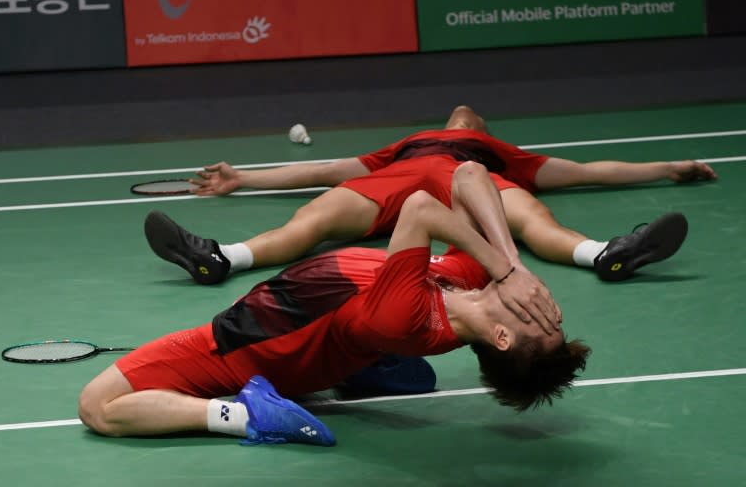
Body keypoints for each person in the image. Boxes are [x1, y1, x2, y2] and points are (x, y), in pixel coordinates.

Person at [79, 162, 590, 446]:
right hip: (310, 338)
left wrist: (507, 269)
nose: (543, 302)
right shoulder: (466, 278)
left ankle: (248, 415)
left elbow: (420, 208)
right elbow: (470, 175)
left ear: (501, 338)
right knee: (390, 365)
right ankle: (350, 375)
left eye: (539, 319)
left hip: (248, 344)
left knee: (98, 406)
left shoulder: (409, 315)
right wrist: (511, 264)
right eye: (552, 311)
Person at [145, 105, 716, 286]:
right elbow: (322, 169)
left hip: (471, 178)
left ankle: (607, 254)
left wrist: (669, 167)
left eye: (474, 115)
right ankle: (221, 258)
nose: (464, 109)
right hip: (393, 181)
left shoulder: (501, 152)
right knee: (312, 219)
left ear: (481, 129)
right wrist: (241, 178)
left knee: (534, 220)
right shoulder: (406, 142)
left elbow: (590, 170)